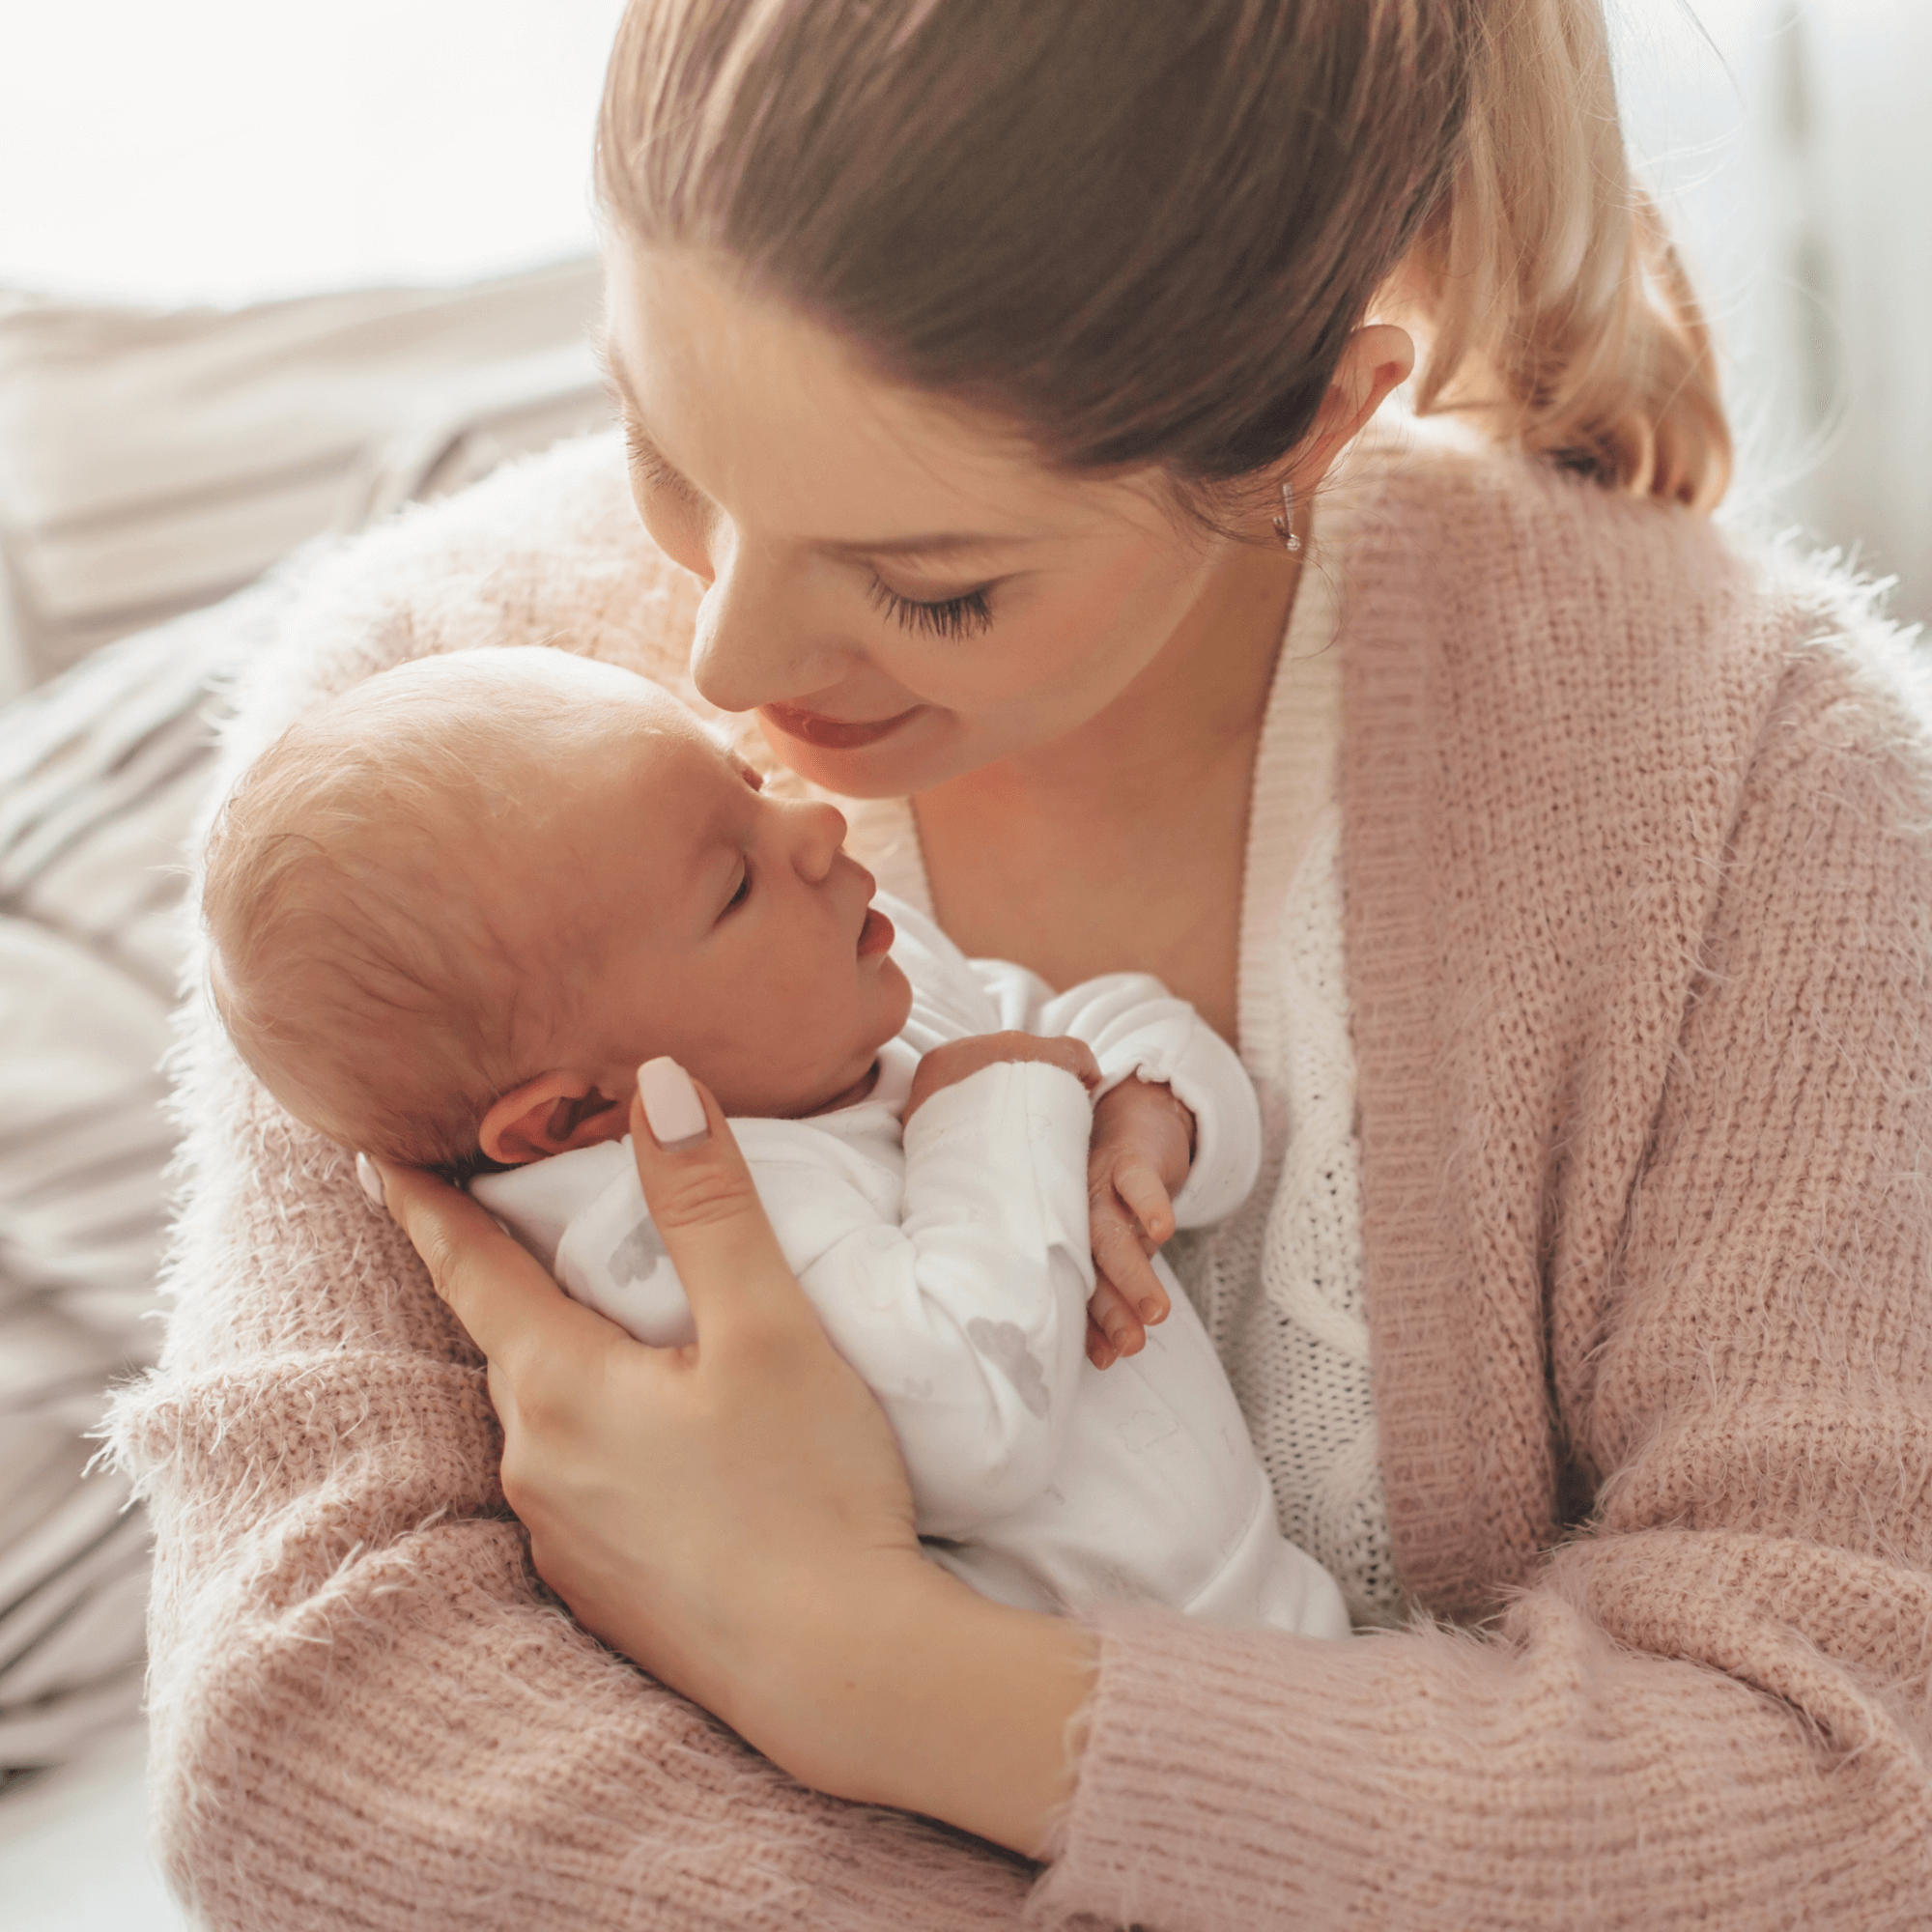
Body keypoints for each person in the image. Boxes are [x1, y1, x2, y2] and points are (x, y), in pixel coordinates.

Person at [112, 1, 1932, 1925]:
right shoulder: (422, 747)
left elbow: (1842, 1787)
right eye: (663, 443)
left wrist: (855, 1665)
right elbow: (308, 1750)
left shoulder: (1757, 785)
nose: (727, 664)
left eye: (934, 585)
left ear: (1311, 418)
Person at [199, 645, 1349, 1635]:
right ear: (572, 1116)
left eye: (746, 781)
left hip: (1266, 1601)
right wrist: (990, 1108)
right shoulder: (673, 1241)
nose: (812, 825)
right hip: (1085, 1696)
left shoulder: (849, 1001)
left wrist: (1150, 1111)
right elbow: (974, 1427)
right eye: (733, 886)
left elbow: (1086, 1024)